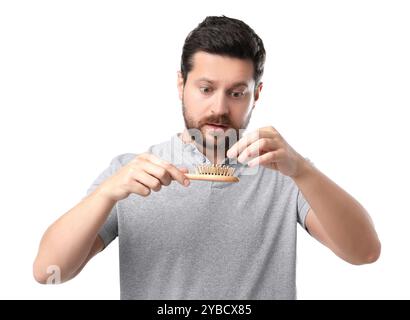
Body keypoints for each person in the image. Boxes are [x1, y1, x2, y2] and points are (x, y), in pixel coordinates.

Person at [33, 16, 381, 299]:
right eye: (205, 89)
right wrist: (106, 192)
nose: (219, 107)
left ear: (256, 95)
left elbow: (365, 253)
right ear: (181, 84)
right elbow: (48, 273)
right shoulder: (130, 175)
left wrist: (303, 171)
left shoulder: (284, 171)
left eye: (236, 93)